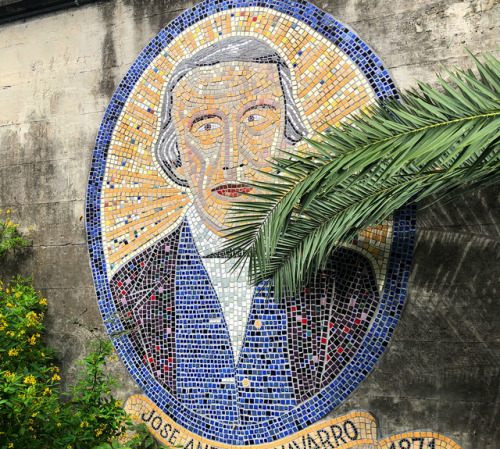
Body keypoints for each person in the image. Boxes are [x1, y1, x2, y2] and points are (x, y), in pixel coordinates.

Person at [109, 37, 380, 425]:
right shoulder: (132, 289)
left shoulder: (347, 280)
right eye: (205, 126)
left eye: (256, 120)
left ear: (288, 140)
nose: (232, 156)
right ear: (177, 153)